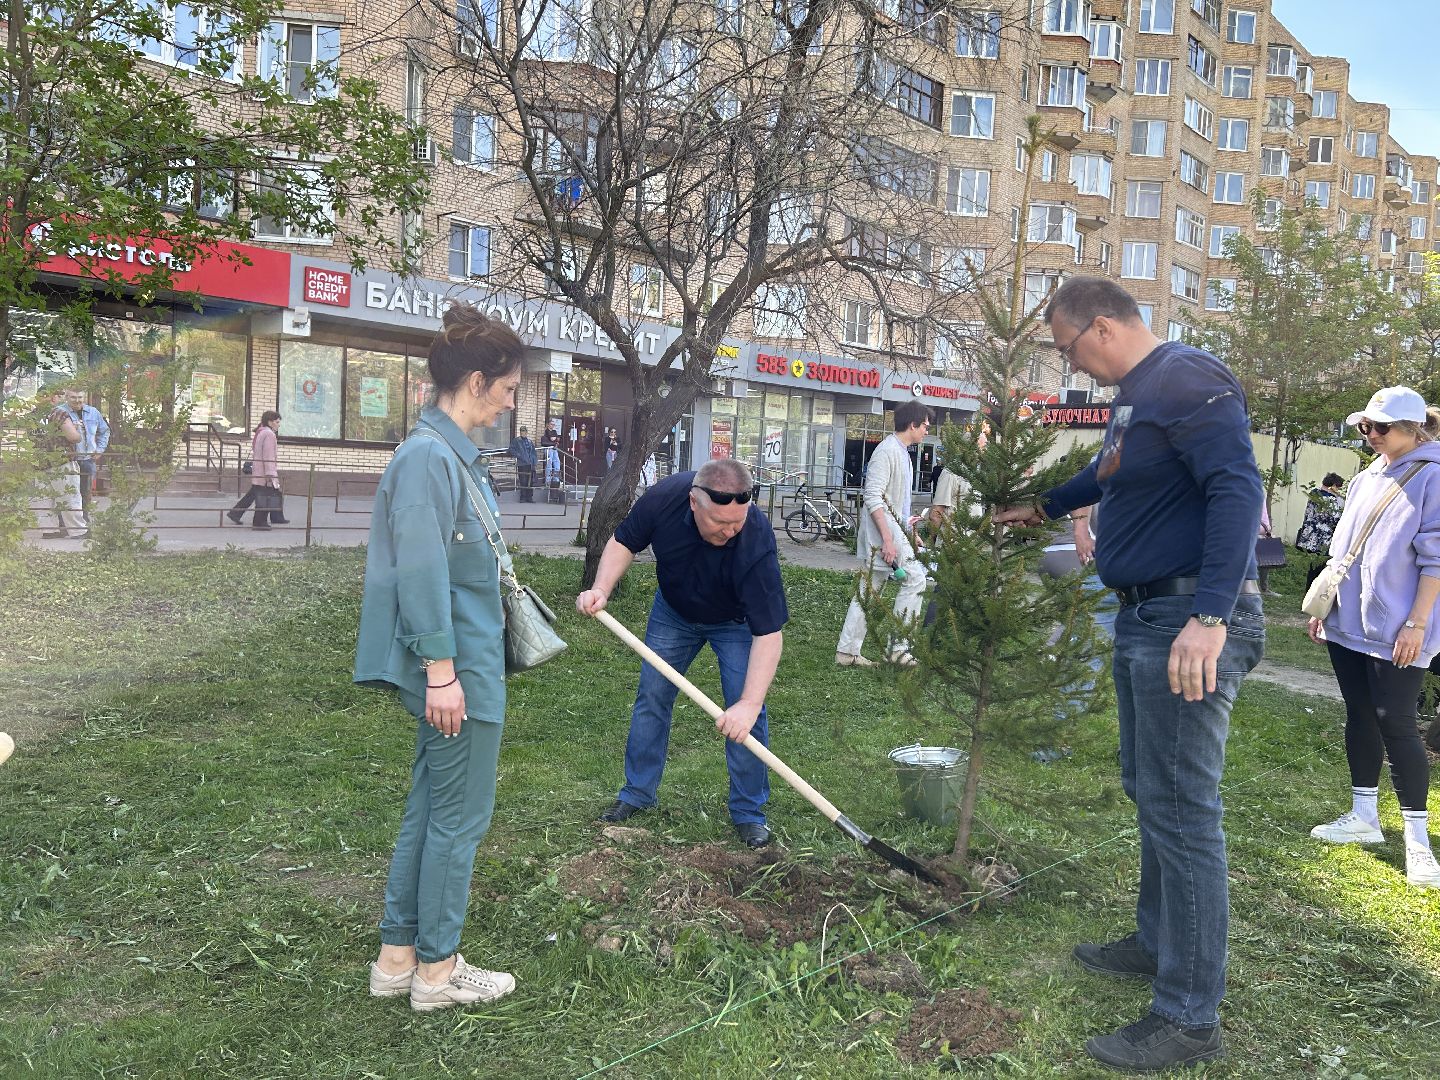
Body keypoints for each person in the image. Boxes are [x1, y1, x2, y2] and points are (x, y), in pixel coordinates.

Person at [995, 277, 1264, 1072]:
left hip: (1187, 621)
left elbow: (1236, 489)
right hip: (1146, 616)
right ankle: (1156, 943)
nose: (1070, 365)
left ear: (1102, 328)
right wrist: (1042, 507)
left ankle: (1189, 1018)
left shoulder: (1188, 379)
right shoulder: (1138, 401)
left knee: (1183, 811)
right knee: (1149, 790)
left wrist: (1209, 618)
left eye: (1068, 349)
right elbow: (1110, 477)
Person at [354, 302, 525, 1011]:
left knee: (431, 809)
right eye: (510, 388)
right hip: (461, 669)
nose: (512, 402)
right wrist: (444, 674)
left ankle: (399, 959)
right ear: (479, 380)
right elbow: (421, 574)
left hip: (459, 662)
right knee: (461, 819)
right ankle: (437, 971)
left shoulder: (446, 454)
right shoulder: (430, 458)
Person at [576, 458, 788, 849]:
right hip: (673, 613)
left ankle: (748, 812)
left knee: (747, 716)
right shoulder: (664, 499)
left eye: (737, 522)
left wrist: (750, 703)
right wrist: (602, 588)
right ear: (694, 502)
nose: (730, 531)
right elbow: (625, 541)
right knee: (652, 698)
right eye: (720, 523)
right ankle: (637, 793)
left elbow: (769, 633)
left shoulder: (755, 538)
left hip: (735, 622)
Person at [1305, 387, 1440, 891]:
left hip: (1400, 630)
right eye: (1366, 426)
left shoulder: (1433, 475)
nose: (1371, 435)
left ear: (1413, 429)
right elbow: (1344, 549)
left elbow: (1436, 559)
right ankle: (1364, 815)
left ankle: (1418, 841)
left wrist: (1418, 623)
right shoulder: (1368, 477)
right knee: (1359, 714)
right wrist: (1326, 607)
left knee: (1397, 724)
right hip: (1349, 624)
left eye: (1380, 428)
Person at [836, 400, 932, 667]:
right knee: (915, 579)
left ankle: (847, 652)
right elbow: (873, 497)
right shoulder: (886, 451)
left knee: (869, 591)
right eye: (924, 425)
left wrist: (911, 532)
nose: (926, 430)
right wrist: (889, 540)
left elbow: (900, 504)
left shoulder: (903, 454)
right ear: (912, 424)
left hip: (894, 532)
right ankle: (898, 649)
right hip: (883, 535)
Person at [227, 412, 289, 529]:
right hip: (265, 472)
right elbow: (268, 455)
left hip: (260, 470)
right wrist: (270, 473)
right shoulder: (269, 434)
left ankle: (237, 514)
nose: (278, 425)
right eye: (277, 422)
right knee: (265, 496)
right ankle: (260, 522)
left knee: (262, 494)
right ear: (270, 422)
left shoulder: (261, 432)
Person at [38, 390, 86, 540]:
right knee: (69, 496)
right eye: (58, 396)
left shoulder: (32, 415)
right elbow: (73, 437)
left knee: (44, 498)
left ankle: (49, 530)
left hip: (40, 462)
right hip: (61, 461)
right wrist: (78, 430)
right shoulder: (58, 414)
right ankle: (78, 531)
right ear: (53, 397)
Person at [58, 388, 110, 526]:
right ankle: (64, 526)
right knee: (66, 494)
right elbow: (50, 435)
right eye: (73, 397)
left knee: (85, 493)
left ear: (84, 397)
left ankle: (84, 524)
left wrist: (100, 449)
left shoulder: (93, 412)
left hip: (88, 460)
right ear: (67, 397)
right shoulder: (59, 412)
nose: (77, 400)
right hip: (67, 461)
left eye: (80, 397)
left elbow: (104, 431)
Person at [1296, 472, 1346, 586]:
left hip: (1309, 536)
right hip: (1323, 540)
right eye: (1338, 487)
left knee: (1312, 568)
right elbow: (1335, 520)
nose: (1339, 491)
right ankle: (1313, 594)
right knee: (1319, 569)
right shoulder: (1330, 500)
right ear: (1333, 486)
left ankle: (1308, 591)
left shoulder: (1314, 493)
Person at [508, 425, 537, 502]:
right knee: (523, 481)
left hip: (530, 464)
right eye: (522, 431)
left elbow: (534, 453)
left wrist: (534, 462)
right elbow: (511, 449)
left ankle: (529, 497)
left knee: (530, 481)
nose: (523, 433)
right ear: (520, 432)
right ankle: (523, 497)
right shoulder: (516, 440)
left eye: (524, 431)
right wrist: (519, 455)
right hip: (522, 464)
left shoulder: (530, 442)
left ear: (526, 432)